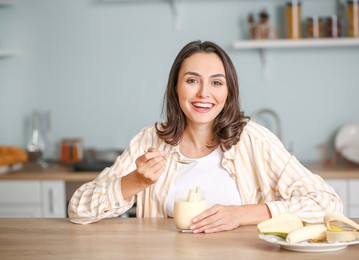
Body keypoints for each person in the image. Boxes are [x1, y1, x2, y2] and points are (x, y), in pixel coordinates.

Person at [68, 40, 342, 233]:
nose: (203, 94)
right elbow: (78, 209)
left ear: (228, 91)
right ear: (176, 88)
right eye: (191, 80)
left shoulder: (253, 140)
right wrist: (135, 180)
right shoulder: (149, 141)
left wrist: (242, 214)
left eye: (216, 82)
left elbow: (327, 202)